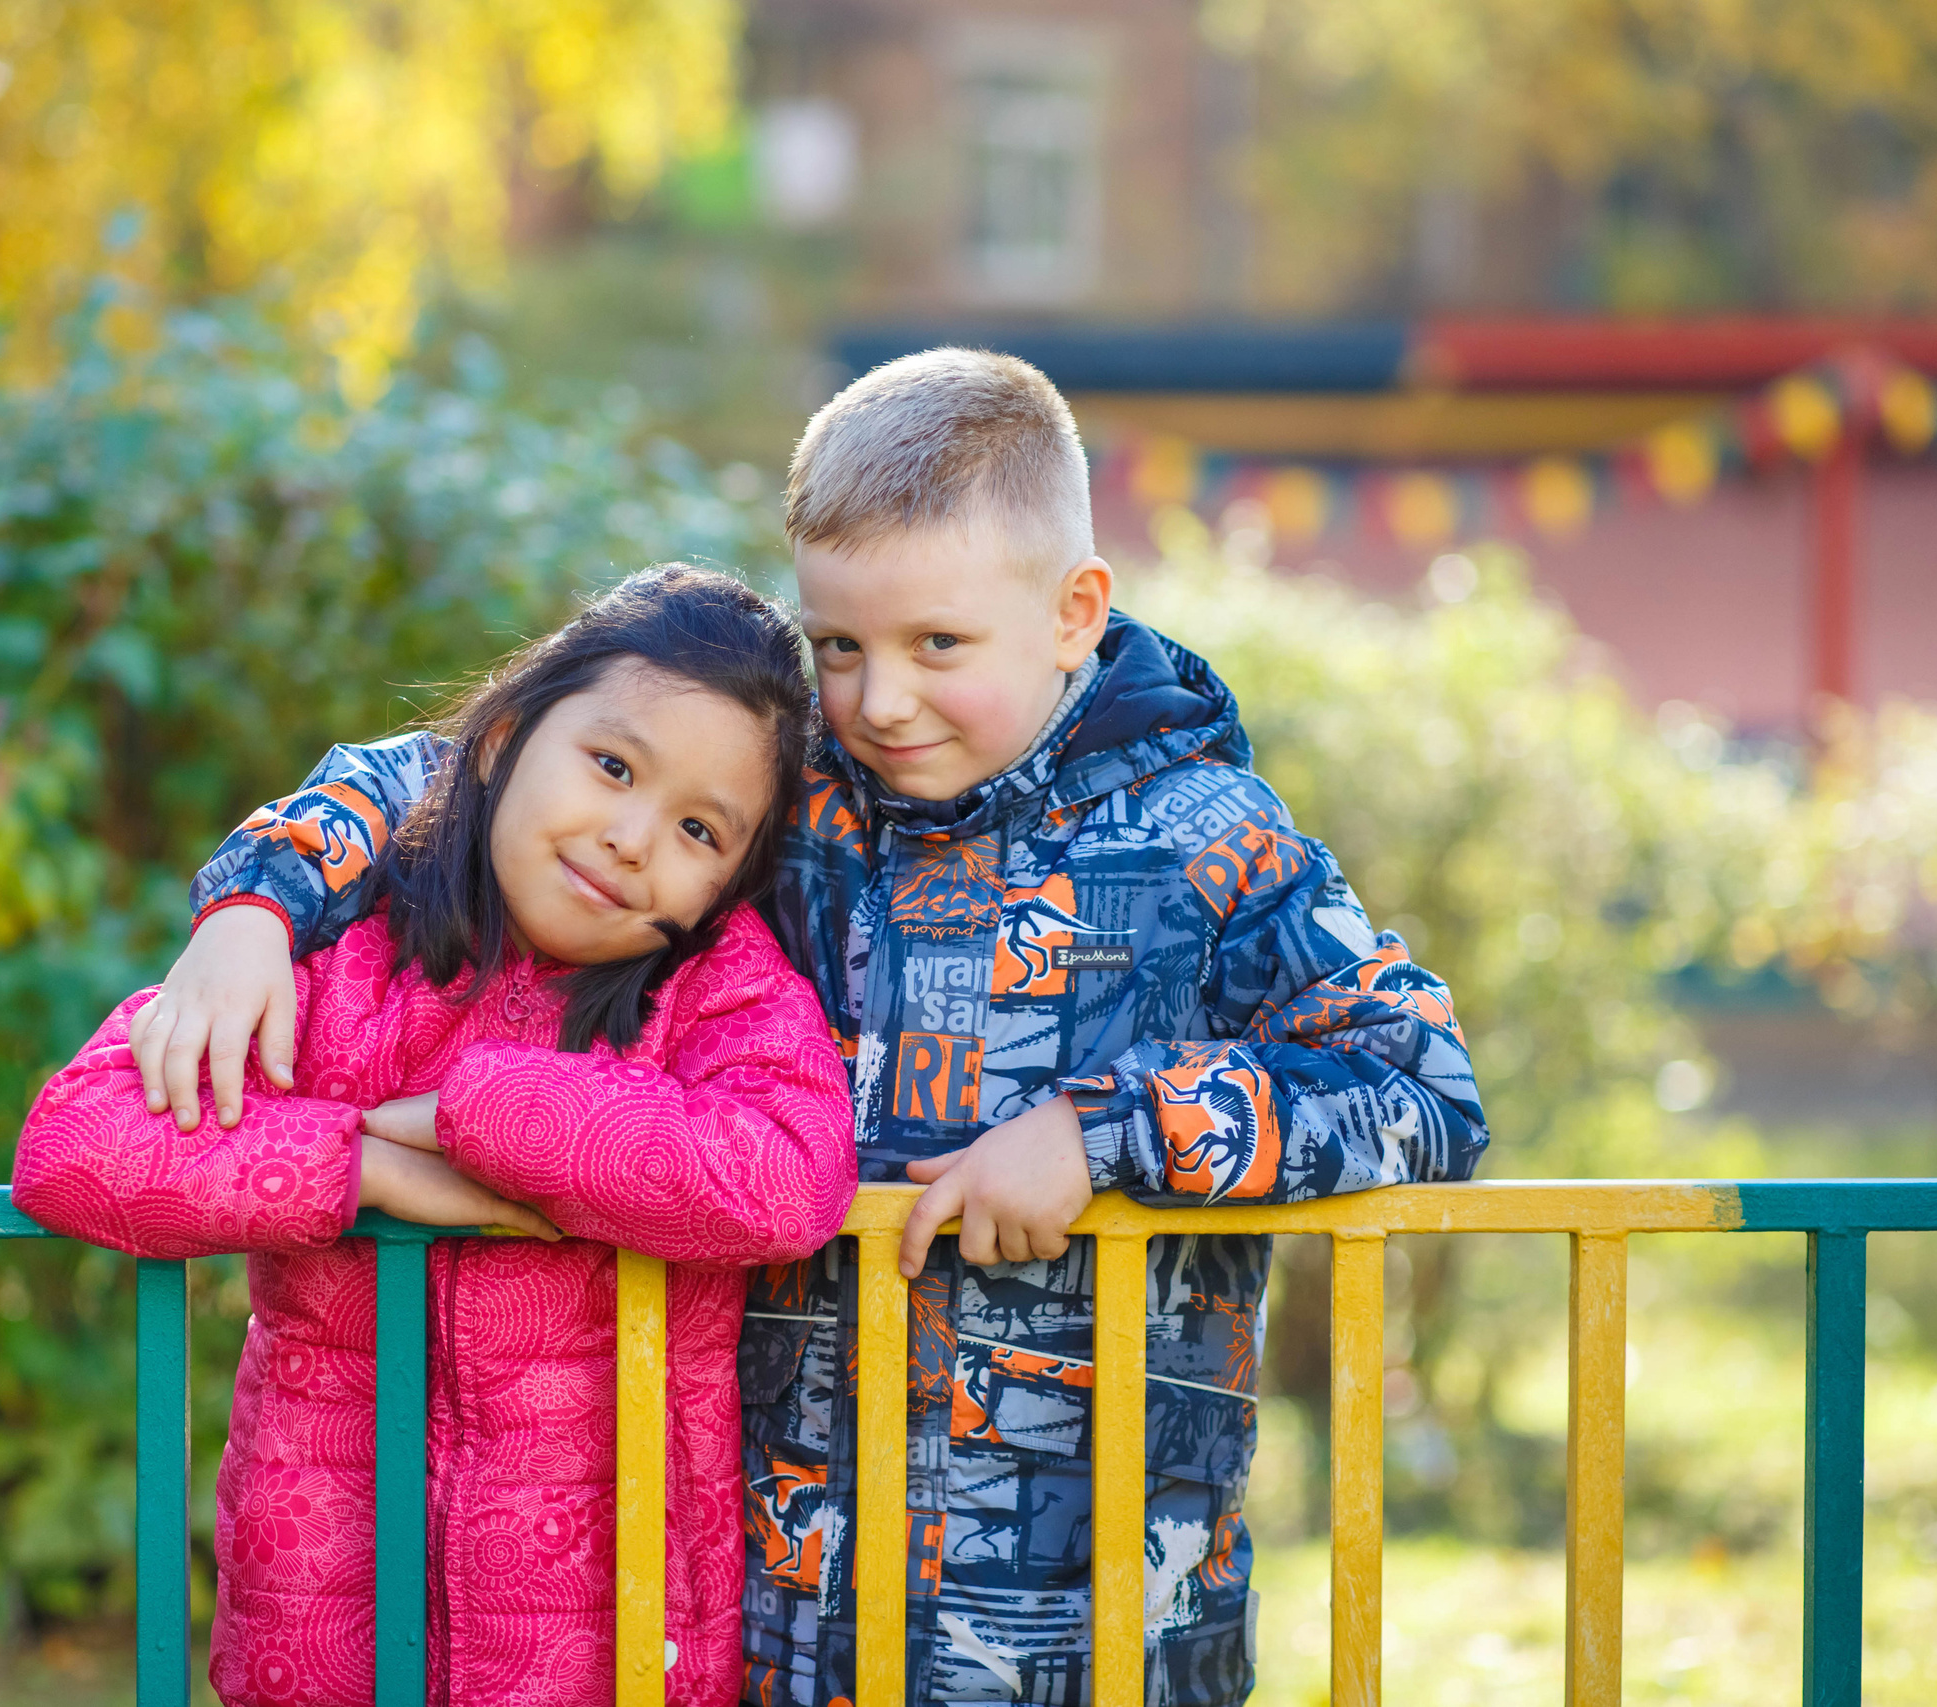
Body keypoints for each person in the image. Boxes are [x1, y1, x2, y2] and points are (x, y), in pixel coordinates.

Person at [138, 351, 1490, 1705]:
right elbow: (466, 763)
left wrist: (1106, 1134)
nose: (880, 699)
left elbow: (1420, 1083)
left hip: (1100, 1617)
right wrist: (259, 899)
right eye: (840, 644)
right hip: (791, 1610)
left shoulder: (1209, 838)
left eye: (936, 646)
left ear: (1076, 611)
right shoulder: (804, 804)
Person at [10, 567, 860, 1707]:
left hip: (613, 1645)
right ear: (505, 738)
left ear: (729, 882)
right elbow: (78, 1143)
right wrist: (362, 1169)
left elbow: (792, 1175)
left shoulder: (715, 994)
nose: (628, 838)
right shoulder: (345, 965)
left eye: (698, 830)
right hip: (322, 1617)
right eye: (612, 766)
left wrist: (482, 1113)